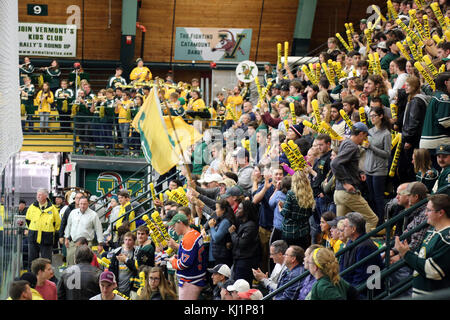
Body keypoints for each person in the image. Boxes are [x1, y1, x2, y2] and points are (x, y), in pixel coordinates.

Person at [395, 194, 450, 297]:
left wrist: (406, 254)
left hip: (434, 296)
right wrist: (405, 254)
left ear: (440, 213)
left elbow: (434, 271)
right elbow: (420, 258)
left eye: (428, 210)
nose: (425, 213)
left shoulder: (447, 237)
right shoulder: (433, 231)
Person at [331, 122, 379, 232]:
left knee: (342, 227)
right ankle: (362, 245)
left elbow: (347, 165)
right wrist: (345, 183)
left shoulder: (345, 142)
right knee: (372, 219)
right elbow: (335, 164)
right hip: (347, 192)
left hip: (338, 193)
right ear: (361, 134)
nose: (365, 139)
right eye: (365, 136)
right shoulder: (353, 146)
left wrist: (359, 172)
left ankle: (344, 247)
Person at [168, 213, 208, 300]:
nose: (173, 229)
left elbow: (184, 263)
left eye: (174, 226)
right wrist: (178, 257)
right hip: (197, 276)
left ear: (180, 223)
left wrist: (173, 262)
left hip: (191, 280)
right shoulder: (195, 233)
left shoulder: (188, 238)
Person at [339, 212, 383, 289]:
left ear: (353, 229)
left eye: (345, 226)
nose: (342, 229)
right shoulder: (350, 242)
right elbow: (342, 269)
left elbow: (361, 278)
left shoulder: (365, 247)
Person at [365, 106, 391, 226]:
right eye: (370, 116)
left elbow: (387, 154)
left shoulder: (386, 134)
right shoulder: (369, 131)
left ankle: (381, 222)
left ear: (380, 116)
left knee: (378, 197)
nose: (372, 119)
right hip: (368, 167)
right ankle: (373, 220)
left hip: (379, 169)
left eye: (374, 116)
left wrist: (371, 147)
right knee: (370, 196)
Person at [64, 196, 104, 266]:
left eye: (85, 204)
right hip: (73, 243)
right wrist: (66, 238)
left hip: (87, 244)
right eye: (81, 203)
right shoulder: (73, 213)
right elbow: (68, 226)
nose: (82, 206)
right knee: (71, 264)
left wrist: (100, 244)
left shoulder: (93, 215)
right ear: (78, 204)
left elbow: (98, 229)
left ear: (88, 203)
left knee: (85, 264)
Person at [26, 188, 61, 267]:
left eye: (40, 195)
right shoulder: (32, 207)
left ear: (46, 196)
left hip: (46, 237)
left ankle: (46, 278)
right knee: (32, 260)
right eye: (37, 194)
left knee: (46, 261)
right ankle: (32, 277)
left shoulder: (53, 209)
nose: (38, 196)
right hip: (33, 236)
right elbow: (28, 220)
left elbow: (57, 224)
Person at [228, 200, 261, 285]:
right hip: (239, 259)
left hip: (245, 262)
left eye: (239, 208)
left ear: (246, 211)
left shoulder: (250, 226)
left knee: (241, 288)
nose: (237, 210)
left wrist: (232, 233)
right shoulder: (242, 223)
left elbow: (241, 243)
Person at [280, 170, 314, 248]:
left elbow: (285, 213)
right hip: (304, 231)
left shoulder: (291, 194)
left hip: (290, 232)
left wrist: (280, 208)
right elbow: (310, 212)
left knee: (290, 255)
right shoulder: (309, 193)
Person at [419, 72, 450, 152]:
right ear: (446, 82)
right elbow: (445, 121)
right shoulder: (443, 97)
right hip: (438, 142)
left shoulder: (436, 95)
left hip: (429, 141)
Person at [108, 231, 139, 298]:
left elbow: (136, 268)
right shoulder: (117, 252)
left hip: (130, 285)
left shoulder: (136, 253)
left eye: (130, 240)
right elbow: (111, 268)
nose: (127, 242)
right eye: (126, 239)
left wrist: (126, 260)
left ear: (134, 241)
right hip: (118, 284)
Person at [207, 200, 235, 267]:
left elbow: (216, 237)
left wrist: (211, 227)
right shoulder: (220, 219)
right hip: (218, 254)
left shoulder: (225, 222)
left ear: (223, 210)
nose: (215, 211)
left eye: (217, 208)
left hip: (222, 256)